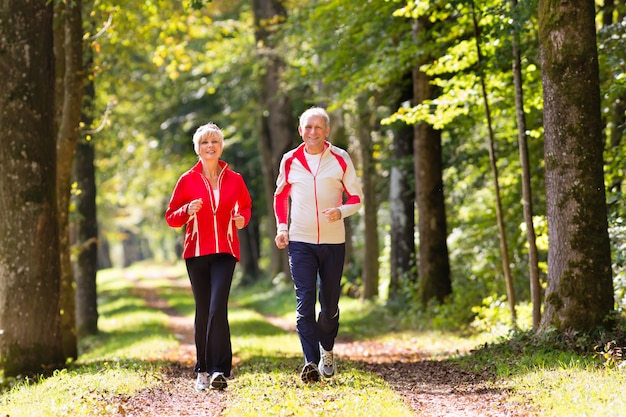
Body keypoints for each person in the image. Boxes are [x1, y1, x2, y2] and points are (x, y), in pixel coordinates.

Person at [273, 107, 363, 383]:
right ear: (300, 131)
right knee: (304, 302)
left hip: (333, 242)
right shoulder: (290, 160)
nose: (312, 132)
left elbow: (356, 198)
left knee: (329, 305)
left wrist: (341, 212)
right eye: (308, 127)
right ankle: (310, 361)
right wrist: (282, 228)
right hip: (300, 241)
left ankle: (327, 350)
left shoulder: (340, 158)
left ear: (327, 131)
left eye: (318, 128)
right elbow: (280, 197)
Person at [165, 122, 252, 391]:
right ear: (198, 149)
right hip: (197, 252)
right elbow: (171, 217)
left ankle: (219, 371)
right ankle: (202, 369)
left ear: (221, 146)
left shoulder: (235, 179)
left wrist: (241, 219)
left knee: (217, 308)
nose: (210, 146)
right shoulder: (187, 180)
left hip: (225, 251)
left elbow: (246, 207)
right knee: (203, 311)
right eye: (204, 142)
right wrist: (188, 209)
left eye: (214, 141)